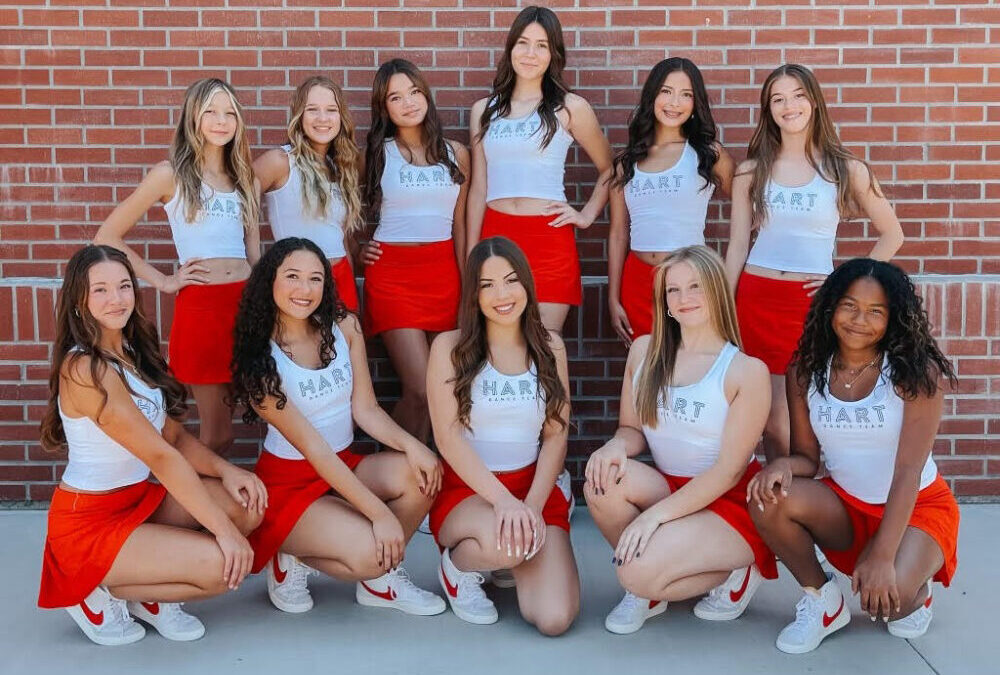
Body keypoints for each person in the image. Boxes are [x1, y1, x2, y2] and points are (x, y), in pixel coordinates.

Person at [38, 245, 264, 645]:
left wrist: (229, 471)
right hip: (89, 523)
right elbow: (160, 456)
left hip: (138, 500)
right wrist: (223, 533)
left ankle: (148, 592)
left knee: (248, 505)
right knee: (221, 565)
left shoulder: (129, 350)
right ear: (79, 300)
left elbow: (173, 436)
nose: (117, 299)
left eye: (124, 287)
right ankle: (96, 591)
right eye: (101, 290)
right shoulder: (84, 368)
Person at [748, 258, 959, 654]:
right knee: (767, 497)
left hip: (916, 507)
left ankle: (917, 585)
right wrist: (780, 466)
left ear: (893, 318)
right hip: (847, 504)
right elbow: (807, 460)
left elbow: (909, 471)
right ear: (830, 307)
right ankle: (823, 601)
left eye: (875, 311)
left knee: (889, 611)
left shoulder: (914, 374)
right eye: (849, 305)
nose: (859, 319)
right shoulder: (806, 371)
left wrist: (882, 555)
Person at [230, 237, 445, 616]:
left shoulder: (344, 327)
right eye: (293, 276)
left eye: (316, 279)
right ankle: (290, 554)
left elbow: (366, 410)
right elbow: (314, 449)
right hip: (290, 482)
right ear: (270, 281)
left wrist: (414, 446)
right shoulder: (259, 358)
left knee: (422, 473)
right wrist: (379, 514)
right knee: (369, 552)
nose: (305, 289)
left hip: (343, 462)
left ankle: (379, 583)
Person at [584, 245, 776, 635]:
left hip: (728, 503)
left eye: (695, 287)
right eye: (673, 290)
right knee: (600, 482)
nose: (684, 298)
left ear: (717, 292)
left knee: (633, 573)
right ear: (664, 300)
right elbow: (631, 431)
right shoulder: (644, 351)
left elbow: (727, 472)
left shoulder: (744, 370)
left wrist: (652, 518)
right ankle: (652, 583)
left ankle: (736, 570)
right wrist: (616, 446)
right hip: (669, 486)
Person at [724, 64, 904, 461]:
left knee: (805, 413)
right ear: (768, 110)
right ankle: (778, 502)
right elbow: (737, 245)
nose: (789, 106)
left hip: (811, 304)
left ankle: (812, 496)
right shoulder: (751, 170)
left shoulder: (846, 169)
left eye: (798, 95)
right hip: (756, 299)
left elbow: (893, 234)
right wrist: (723, 306)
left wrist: (843, 287)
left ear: (814, 102)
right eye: (778, 99)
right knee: (771, 419)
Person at [95, 78, 261, 455]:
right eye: (211, 113)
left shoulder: (245, 177)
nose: (221, 121)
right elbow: (107, 235)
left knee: (241, 421)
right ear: (193, 118)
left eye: (230, 113)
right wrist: (164, 281)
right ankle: (201, 508)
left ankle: (215, 503)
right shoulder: (169, 174)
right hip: (202, 308)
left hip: (245, 305)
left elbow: (254, 254)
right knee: (217, 434)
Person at [426, 237, 578, 635]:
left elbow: (556, 438)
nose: (502, 295)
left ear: (526, 284)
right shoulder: (450, 347)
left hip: (532, 491)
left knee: (555, 618)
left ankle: (512, 557)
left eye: (511, 281)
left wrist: (530, 504)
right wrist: (504, 502)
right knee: (509, 540)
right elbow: (447, 438)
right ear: (473, 295)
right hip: (470, 491)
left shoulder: (550, 347)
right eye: (487, 285)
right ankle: (460, 568)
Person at [466, 5, 612, 334]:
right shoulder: (483, 111)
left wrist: (586, 214)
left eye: (542, 45)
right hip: (496, 235)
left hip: (549, 239)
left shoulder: (569, 107)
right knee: (499, 343)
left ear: (553, 54)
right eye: (523, 43)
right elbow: (478, 190)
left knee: (547, 344)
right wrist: (471, 254)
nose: (531, 53)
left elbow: (611, 169)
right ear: (511, 48)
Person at [360, 59, 469, 445]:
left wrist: (468, 285)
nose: (407, 103)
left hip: (443, 275)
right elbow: (342, 209)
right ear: (384, 108)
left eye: (414, 92)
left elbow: (460, 226)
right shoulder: (376, 152)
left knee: (442, 391)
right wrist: (357, 247)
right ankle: (399, 466)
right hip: (393, 276)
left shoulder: (457, 153)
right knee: (420, 390)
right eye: (395, 97)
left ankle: (420, 485)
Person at [608, 58, 734, 344]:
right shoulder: (626, 161)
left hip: (689, 281)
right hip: (637, 281)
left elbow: (747, 209)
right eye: (666, 91)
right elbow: (617, 234)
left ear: (695, 103)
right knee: (645, 371)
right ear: (652, 96)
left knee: (686, 366)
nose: (674, 102)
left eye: (686, 94)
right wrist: (612, 298)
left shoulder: (708, 154)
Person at [254, 75, 364, 312]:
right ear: (299, 115)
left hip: (341, 277)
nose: (323, 118)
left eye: (331, 110)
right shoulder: (280, 161)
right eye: (312, 110)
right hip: (299, 283)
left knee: (347, 349)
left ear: (341, 117)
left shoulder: (341, 167)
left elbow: (342, 238)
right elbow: (239, 205)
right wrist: (255, 264)